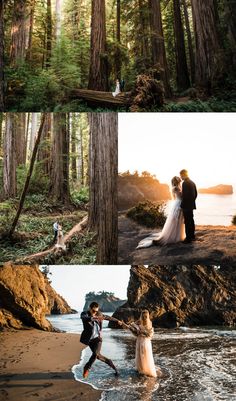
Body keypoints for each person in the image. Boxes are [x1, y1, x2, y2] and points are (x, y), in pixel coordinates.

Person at [136, 176, 185, 248]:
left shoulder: (176, 188)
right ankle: (174, 237)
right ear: (176, 182)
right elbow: (182, 196)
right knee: (176, 220)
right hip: (178, 205)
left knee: (178, 220)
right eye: (178, 181)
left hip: (178, 204)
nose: (179, 182)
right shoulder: (176, 188)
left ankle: (177, 236)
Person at [80, 302, 122, 378]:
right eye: (93, 311)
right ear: (90, 308)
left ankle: (86, 368)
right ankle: (113, 366)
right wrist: (94, 318)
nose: (95, 312)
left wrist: (117, 321)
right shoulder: (84, 313)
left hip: (97, 339)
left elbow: (108, 317)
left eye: (96, 311)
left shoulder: (99, 314)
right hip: (90, 340)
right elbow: (84, 318)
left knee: (95, 354)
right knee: (98, 356)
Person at [123, 310, 161, 378]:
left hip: (144, 341)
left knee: (144, 355)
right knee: (143, 355)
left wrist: (139, 331)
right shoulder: (142, 322)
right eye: (143, 316)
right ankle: (143, 369)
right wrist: (131, 327)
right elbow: (135, 331)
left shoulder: (147, 323)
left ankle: (144, 369)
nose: (144, 317)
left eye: (145, 316)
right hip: (142, 341)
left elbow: (148, 334)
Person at [180, 169, 198, 243]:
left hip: (186, 206)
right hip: (191, 205)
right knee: (191, 220)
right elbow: (196, 194)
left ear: (184, 174)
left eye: (181, 175)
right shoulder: (192, 182)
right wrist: (192, 202)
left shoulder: (185, 183)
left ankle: (188, 239)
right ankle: (192, 236)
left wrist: (182, 205)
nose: (180, 177)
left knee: (187, 222)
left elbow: (185, 196)